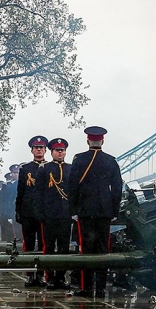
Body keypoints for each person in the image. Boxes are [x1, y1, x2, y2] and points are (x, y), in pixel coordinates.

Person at [67, 126, 123, 297]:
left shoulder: (79, 160)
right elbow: (117, 188)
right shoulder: (111, 161)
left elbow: (72, 187)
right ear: (103, 141)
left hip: (84, 210)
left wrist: (73, 210)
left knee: (86, 249)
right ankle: (100, 288)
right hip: (105, 211)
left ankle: (85, 287)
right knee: (102, 249)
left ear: (88, 140)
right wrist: (114, 210)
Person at [37, 138, 72, 289]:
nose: (60, 153)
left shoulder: (71, 168)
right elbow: (38, 193)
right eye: (57, 150)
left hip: (65, 214)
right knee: (49, 247)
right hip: (49, 214)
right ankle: (50, 277)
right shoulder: (44, 169)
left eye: (62, 150)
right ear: (51, 152)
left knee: (64, 247)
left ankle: (61, 277)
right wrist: (40, 213)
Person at [16, 136, 48, 287]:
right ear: (32, 150)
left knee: (43, 244)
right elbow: (20, 192)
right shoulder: (25, 168)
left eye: (41, 148)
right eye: (36, 148)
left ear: (45, 150)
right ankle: (29, 274)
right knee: (28, 244)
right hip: (28, 211)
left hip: (44, 212)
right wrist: (18, 211)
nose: (39, 150)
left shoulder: (49, 167)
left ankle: (41, 274)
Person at [0, 165, 20, 241]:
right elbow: (1, 200)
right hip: (7, 212)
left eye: (17, 173)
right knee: (8, 233)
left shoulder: (21, 184)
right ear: (11, 173)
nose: (15, 174)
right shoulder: (6, 185)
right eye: (14, 173)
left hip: (18, 211)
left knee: (18, 232)